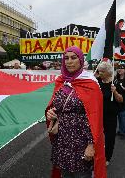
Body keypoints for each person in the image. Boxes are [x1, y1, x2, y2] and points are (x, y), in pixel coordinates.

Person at [45, 46, 106, 178]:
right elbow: (55, 106)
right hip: (63, 141)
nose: (69, 61)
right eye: (66, 58)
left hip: (81, 142)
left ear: (80, 60)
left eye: (73, 58)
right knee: (65, 175)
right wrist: (51, 114)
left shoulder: (90, 83)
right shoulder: (61, 81)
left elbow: (95, 118)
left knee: (81, 175)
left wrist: (91, 145)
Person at [97, 61, 123, 166]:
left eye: (102, 71)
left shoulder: (115, 83)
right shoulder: (97, 82)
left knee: (110, 137)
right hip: (98, 114)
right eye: (99, 71)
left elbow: (121, 100)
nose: (100, 73)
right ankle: (96, 154)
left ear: (108, 72)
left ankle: (107, 157)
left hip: (111, 115)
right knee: (97, 135)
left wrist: (115, 92)